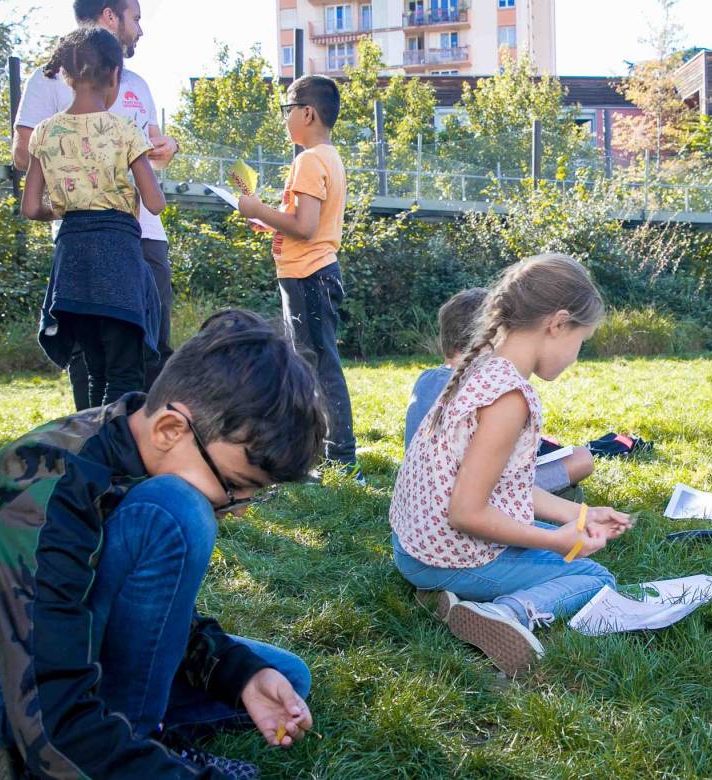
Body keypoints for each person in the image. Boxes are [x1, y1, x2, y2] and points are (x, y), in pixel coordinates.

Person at [0, 309, 326, 780]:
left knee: (281, 679)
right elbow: (49, 711)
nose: (241, 507)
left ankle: (92, 740)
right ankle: (103, 743)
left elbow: (147, 612)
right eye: (235, 485)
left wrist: (237, 671)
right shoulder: (52, 487)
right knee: (176, 511)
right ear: (172, 429)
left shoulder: (138, 440)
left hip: (68, 640)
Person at [389, 254, 632, 676]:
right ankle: (506, 613)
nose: (577, 356)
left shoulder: (480, 367)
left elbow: (505, 487)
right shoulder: (508, 396)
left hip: (414, 546)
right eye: (581, 341)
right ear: (557, 324)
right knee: (595, 578)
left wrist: (580, 514)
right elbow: (467, 513)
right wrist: (555, 541)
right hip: (446, 554)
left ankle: (443, 595)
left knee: (562, 550)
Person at [13, 0, 180, 408]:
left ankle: (91, 450)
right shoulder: (122, 129)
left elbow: (31, 207)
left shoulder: (49, 133)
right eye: (136, 18)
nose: (140, 28)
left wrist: (72, 199)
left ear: (69, 77)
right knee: (127, 365)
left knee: (95, 361)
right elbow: (154, 202)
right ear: (113, 77)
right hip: (121, 247)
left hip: (74, 258)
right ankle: (124, 453)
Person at [237, 76, 360, 481]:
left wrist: (255, 206)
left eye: (287, 109)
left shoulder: (308, 160)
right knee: (313, 362)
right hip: (310, 274)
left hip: (309, 275)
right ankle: (325, 451)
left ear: (307, 112)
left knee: (319, 365)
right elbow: (302, 223)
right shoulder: (328, 156)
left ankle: (340, 458)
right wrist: (269, 221)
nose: (285, 118)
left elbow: (306, 227)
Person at [404, 287, 595, 496]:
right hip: (476, 498)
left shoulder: (425, 381)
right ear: (493, 337)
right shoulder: (493, 389)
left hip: (420, 504)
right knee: (581, 459)